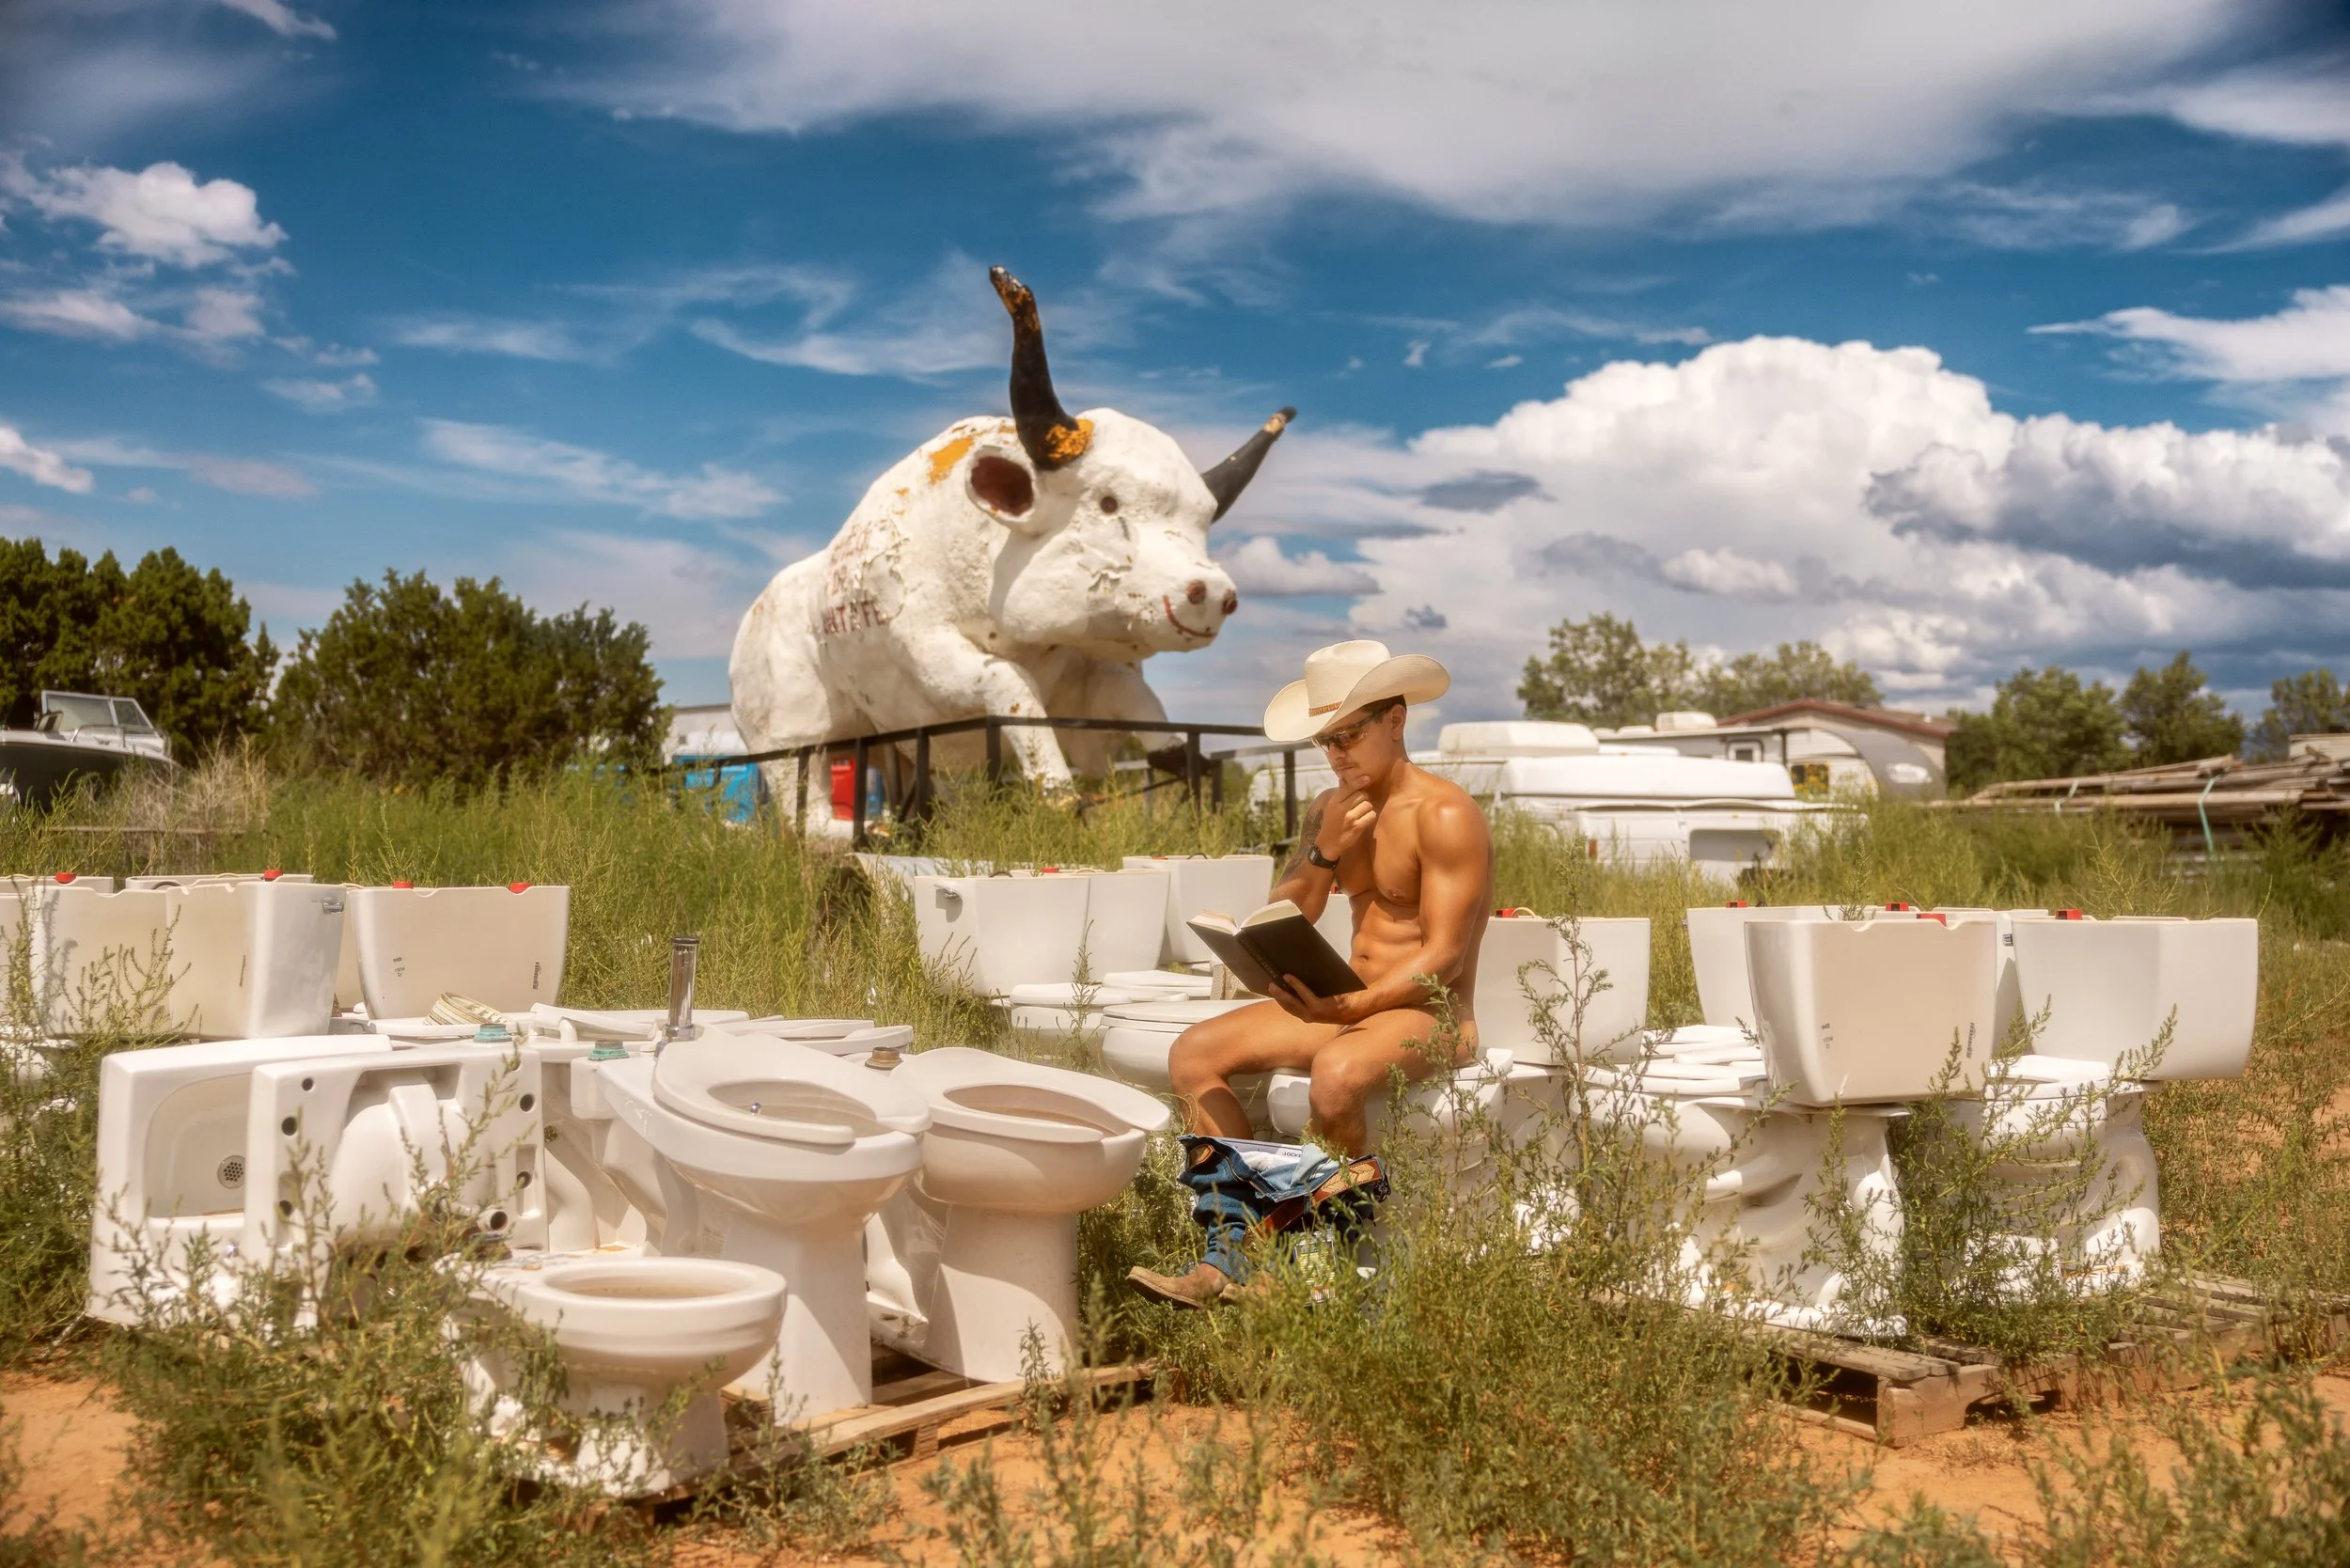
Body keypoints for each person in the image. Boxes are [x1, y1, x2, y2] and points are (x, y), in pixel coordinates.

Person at [1127, 639, 1495, 1309]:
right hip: (1353, 1005)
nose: (1338, 753)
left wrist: (1351, 1013)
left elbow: (1444, 957)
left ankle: (1291, 1254)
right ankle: (1227, 1251)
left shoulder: (1446, 815)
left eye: (1350, 734)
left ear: (1396, 719)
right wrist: (1325, 853)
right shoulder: (1331, 809)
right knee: (1193, 1053)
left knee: (1337, 1074)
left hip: (1432, 1013)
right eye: (1326, 740)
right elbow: (1288, 910)